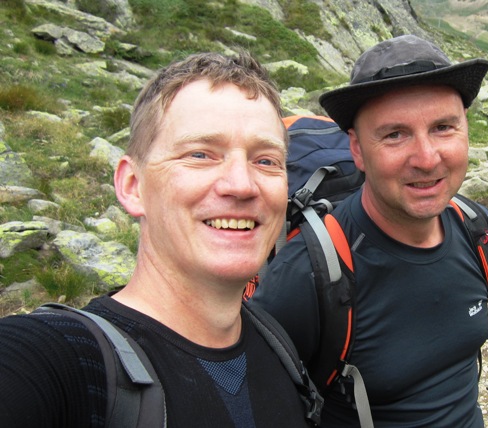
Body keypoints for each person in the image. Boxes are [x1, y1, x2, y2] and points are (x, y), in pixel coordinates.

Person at [0, 51, 315, 427]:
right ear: (132, 186)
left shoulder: (276, 343)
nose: (242, 185)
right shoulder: (59, 360)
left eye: (265, 161)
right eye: (200, 154)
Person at [252, 34, 488, 427]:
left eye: (444, 127)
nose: (427, 158)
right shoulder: (307, 278)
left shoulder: (477, 230)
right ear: (358, 150)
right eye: (395, 134)